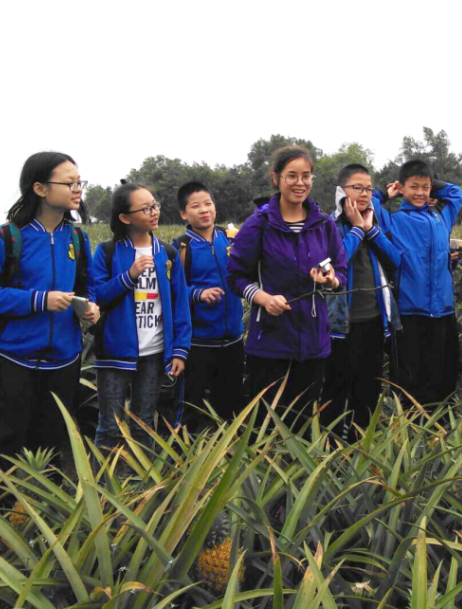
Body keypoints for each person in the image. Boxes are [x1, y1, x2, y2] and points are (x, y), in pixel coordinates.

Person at [0, 152, 99, 484]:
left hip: (65, 360)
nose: (77, 189)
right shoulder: (8, 237)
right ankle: (1, 518)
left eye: (79, 182)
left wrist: (92, 306)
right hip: (14, 358)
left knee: (53, 447)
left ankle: (46, 521)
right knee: (5, 446)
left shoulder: (78, 238)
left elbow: (88, 286)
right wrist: (39, 300)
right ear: (39, 188)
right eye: (68, 183)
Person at [227, 145, 347, 425]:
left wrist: (330, 281)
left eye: (306, 176)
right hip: (270, 342)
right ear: (276, 178)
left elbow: (340, 272)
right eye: (292, 175)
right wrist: (262, 298)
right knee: (266, 426)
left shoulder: (324, 225)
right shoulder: (259, 223)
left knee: (304, 422)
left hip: (314, 342)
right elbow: (235, 276)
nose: (300, 182)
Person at [91, 184, 190, 450]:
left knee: (144, 422)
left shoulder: (167, 253)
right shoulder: (107, 251)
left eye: (155, 205)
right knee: (109, 426)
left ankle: (142, 485)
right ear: (125, 218)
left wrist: (179, 350)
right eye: (145, 208)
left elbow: (180, 304)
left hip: (154, 353)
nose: (154, 212)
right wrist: (128, 276)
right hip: (114, 354)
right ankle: (102, 487)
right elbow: (96, 295)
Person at [374, 160, 462, 405]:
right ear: (401, 188)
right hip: (410, 311)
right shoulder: (394, 220)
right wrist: (386, 191)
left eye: (425, 188)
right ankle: (410, 427)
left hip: (444, 310)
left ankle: (441, 423)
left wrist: (429, 183)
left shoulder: (441, 219)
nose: (421, 193)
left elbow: (456, 193)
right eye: (414, 187)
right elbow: (369, 201)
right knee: (410, 374)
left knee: (442, 372)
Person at [324, 164, 403, 437]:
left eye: (368, 188)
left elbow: (396, 260)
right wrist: (357, 229)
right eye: (357, 188)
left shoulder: (375, 224)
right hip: (339, 324)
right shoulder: (329, 225)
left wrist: (370, 230)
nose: (365, 194)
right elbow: (335, 263)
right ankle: (334, 443)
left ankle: (362, 440)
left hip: (373, 319)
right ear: (341, 192)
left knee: (368, 385)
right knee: (337, 386)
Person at [167, 181, 245, 427]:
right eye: (196, 206)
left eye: (208, 204)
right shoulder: (180, 248)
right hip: (197, 343)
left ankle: (229, 457)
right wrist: (197, 294)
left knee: (230, 406)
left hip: (233, 341)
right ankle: (184, 458)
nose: (204, 210)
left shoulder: (231, 240)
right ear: (183, 214)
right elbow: (170, 291)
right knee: (191, 405)